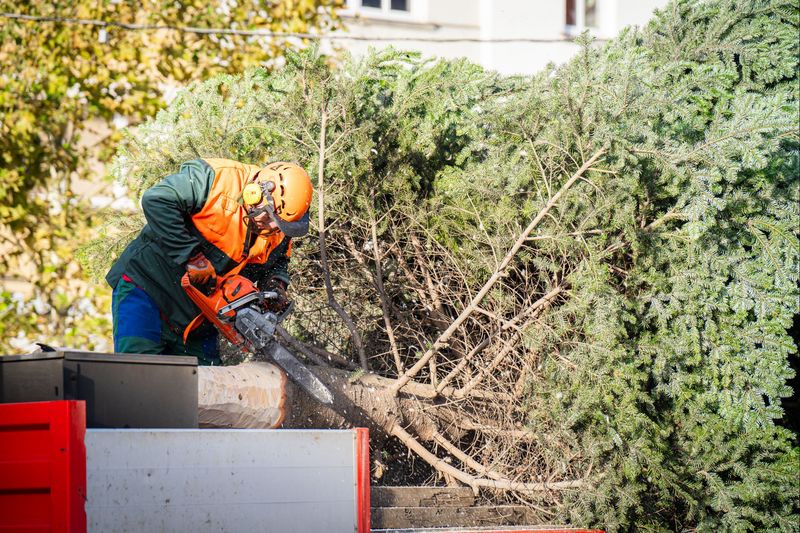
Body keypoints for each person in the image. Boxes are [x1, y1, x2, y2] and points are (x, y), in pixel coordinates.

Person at [106, 158, 313, 365]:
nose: (272, 228)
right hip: (148, 290)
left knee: (207, 381)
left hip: (199, 319)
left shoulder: (280, 229)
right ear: (255, 193)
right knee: (139, 373)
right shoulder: (215, 180)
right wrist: (192, 257)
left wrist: (275, 284)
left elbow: (278, 261)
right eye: (268, 218)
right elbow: (156, 200)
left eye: (279, 224)